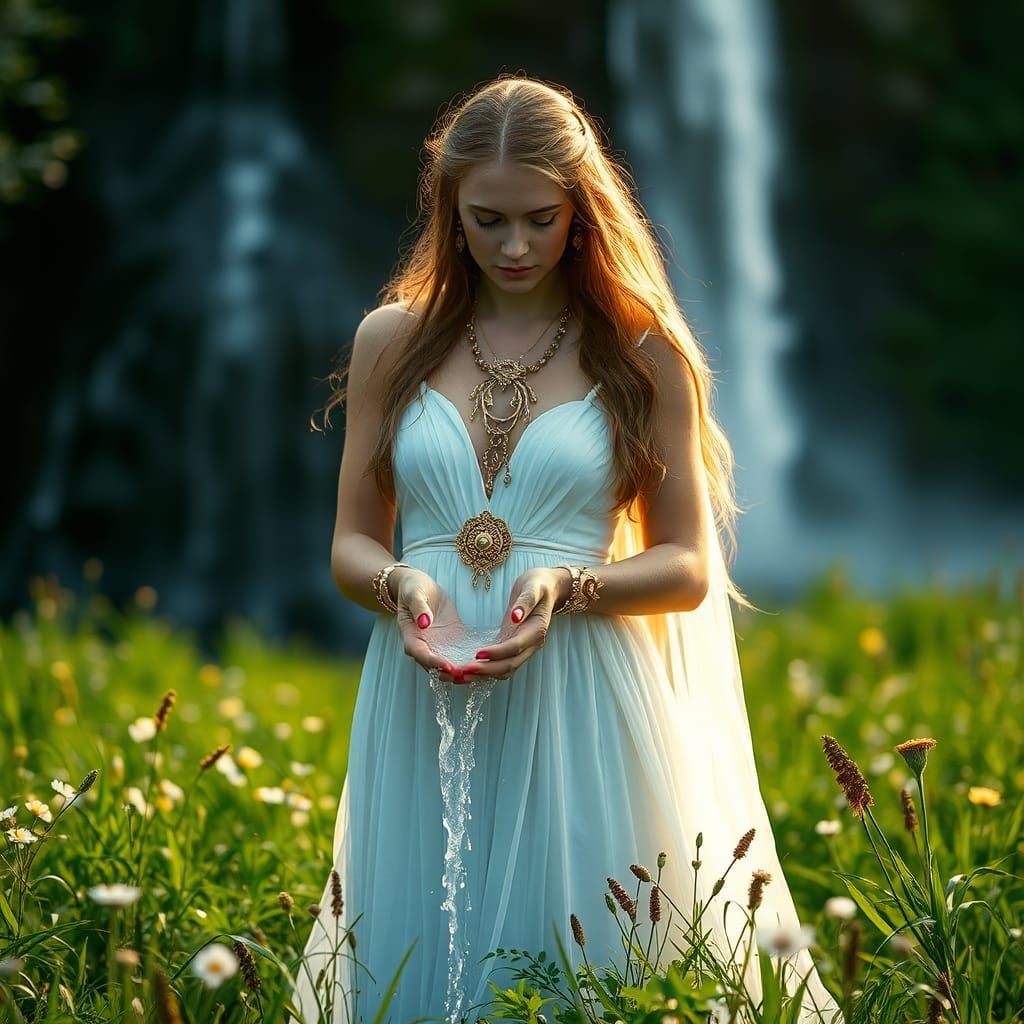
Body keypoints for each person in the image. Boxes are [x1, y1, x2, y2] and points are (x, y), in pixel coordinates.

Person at [293, 75, 842, 1024]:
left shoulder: (640, 348)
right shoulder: (392, 340)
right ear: (450, 212)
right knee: (427, 954)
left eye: (541, 219)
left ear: (581, 210)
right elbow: (348, 544)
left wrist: (565, 582)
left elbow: (688, 567)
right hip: (422, 686)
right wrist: (401, 583)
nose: (514, 245)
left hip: (584, 691)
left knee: (594, 971)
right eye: (488, 219)